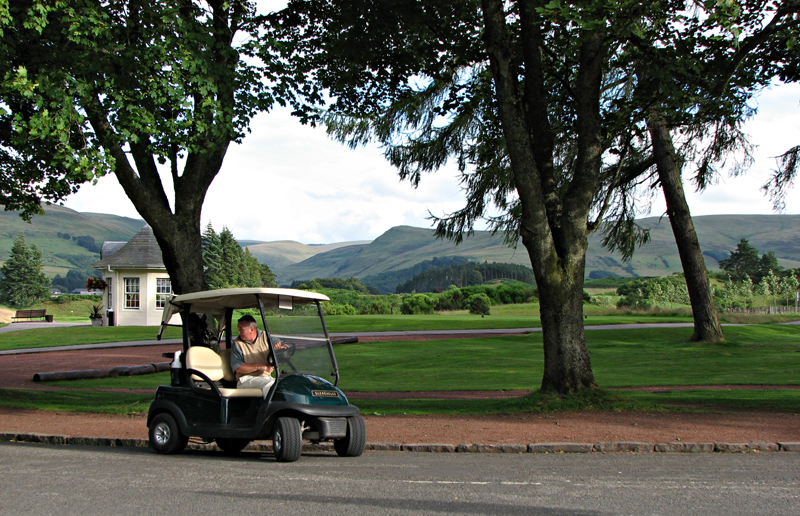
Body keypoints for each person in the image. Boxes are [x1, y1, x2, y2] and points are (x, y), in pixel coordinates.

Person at [229, 315, 280, 397]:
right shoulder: (237, 344)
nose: (238, 332)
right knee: (271, 385)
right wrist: (259, 367)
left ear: (251, 330)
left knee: (284, 384)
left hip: (265, 377)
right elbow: (238, 368)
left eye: (241, 329)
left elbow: (281, 344)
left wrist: (282, 347)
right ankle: (272, 409)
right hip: (245, 379)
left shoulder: (265, 336)